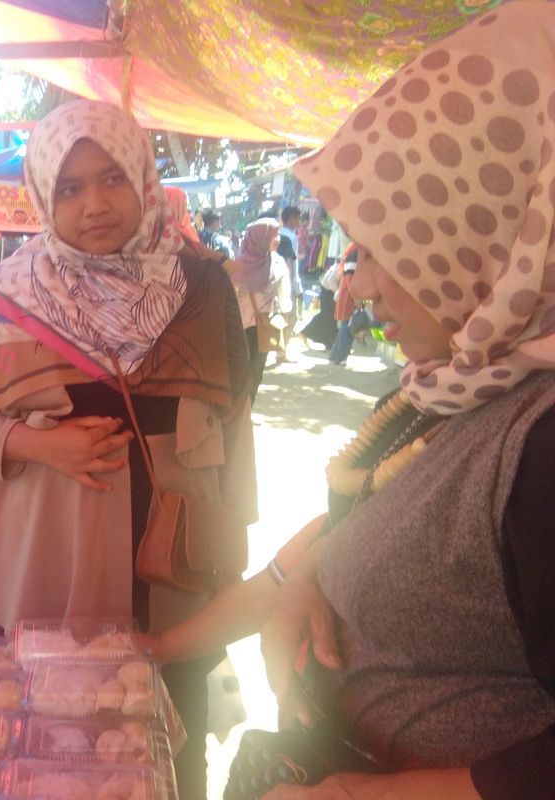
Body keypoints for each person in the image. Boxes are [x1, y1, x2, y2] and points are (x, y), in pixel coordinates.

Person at [252, 4, 555, 796]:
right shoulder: (459, 376)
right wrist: (311, 580)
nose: (362, 286)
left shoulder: (545, 435)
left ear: (490, 224)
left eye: (388, 248)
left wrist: (374, 794)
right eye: (357, 251)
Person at [0, 99, 257, 800]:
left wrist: (232, 570)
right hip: (55, 561)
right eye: (70, 188)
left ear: (144, 180)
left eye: (112, 179)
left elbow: (236, 429)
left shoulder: (203, 288)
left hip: (174, 570)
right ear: (44, 196)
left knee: (170, 761)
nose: (95, 205)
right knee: (51, 756)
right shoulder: (13, 292)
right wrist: (38, 445)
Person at [230, 218, 292, 404]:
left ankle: (240, 413)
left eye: (278, 234)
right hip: (257, 329)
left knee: (240, 373)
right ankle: (246, 410)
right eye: (274, 235)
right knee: (254, 373)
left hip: (242, 329)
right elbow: (286, 303)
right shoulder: (278, 265)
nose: (278, 239)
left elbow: (229, 298)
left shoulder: (237, 265)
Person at [274, 206, 303, 364]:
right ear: (291, 219)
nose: (299, 222)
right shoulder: (290, 238)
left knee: (280, 316)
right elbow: (291, 264)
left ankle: (279, 349)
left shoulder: (277, 235)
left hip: (273, 281)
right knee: (290, 317)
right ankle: (281, 351)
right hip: (287, 282)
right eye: (298, 219)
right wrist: (294, 286)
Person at [326, 246, 361, 366]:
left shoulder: (353, 255)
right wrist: (357, 298)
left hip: (347, 295)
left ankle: (335, 355)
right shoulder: (354, 256)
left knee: (345, 326)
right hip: (349, 297)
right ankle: (340, 357)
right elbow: (350, 280)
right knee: (347, 327)